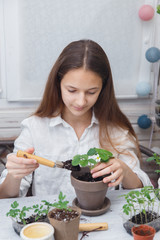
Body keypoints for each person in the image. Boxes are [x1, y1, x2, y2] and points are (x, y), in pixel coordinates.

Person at [0, 39, 152, 198]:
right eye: (72, 90)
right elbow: (5, 197)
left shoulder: (116, 130)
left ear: (103, 88)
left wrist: (124, 170)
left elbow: (142, 191)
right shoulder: (34, 127)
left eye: (91, 92)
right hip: (50, 220)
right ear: (58, 83)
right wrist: (14, 175)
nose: (81, 101)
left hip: (103, 219)